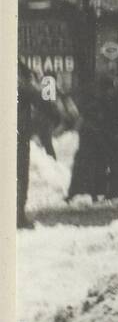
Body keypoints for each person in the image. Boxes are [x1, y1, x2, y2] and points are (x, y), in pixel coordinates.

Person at [17, 64, 61, 228]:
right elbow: (45, 103)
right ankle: (18, 215)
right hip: (18, 136)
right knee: (20, 175)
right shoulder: (23, 86)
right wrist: (55, 117)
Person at [67, 72, 118, 202]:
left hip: (89, 137)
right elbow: (107, 120)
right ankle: (96, 193)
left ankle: (78, 192)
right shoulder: (106, 100)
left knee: (84, 166)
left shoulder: (94, 99)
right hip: (97, 137)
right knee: (97, 166)